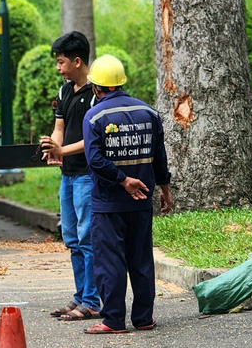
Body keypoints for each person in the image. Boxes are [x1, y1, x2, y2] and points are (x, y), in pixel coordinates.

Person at [81, 54, 172, 335]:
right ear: (120, 84)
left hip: (109, 204)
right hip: (143, 200)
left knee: (111, 261)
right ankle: (144, 318)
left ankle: (113, 320)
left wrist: (122, 181)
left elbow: (95, 161)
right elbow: (160, 157)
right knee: (141, 260)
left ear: (96, 88)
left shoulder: (94, 116)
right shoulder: (149, 113)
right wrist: (164, 189)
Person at [38, 31, 100, 321]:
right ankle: (80, 297)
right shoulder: (65, 91)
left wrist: (61, 150)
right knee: (72, 237)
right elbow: (59, 128)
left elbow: (92, 140)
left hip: (88, 175)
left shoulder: (97, 92)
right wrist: (53, 146)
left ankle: (92, 300)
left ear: (77, 61)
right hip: (68, 175)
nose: (58, 68)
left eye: (61, 62)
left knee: (87, 238)